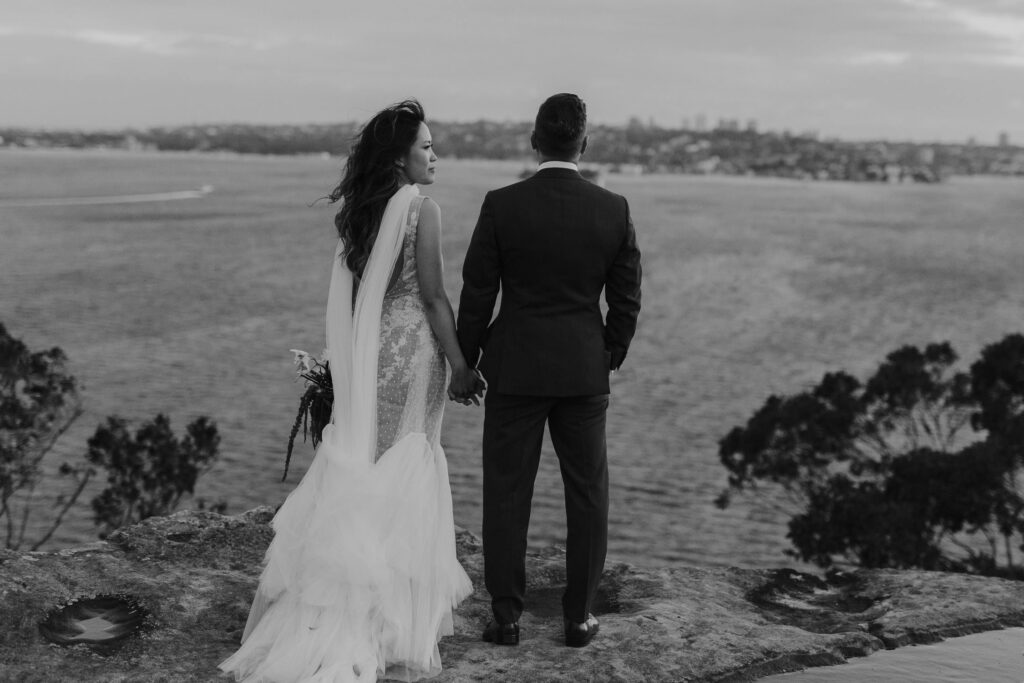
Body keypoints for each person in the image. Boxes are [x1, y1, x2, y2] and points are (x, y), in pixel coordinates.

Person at [220, 100, 478, 683]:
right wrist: (461, 365)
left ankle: (342, 607)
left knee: (368, 466)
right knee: (407, 466)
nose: (435, 156)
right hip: (413, 357)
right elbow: (435, 299)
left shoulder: (360, 216)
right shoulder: (422, 210)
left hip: (370, 357)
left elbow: (363, 300)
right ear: (399, 157)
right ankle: (389, 621)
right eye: (427, 147)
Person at [455, 93, 642, 649]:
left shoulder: (501, 204)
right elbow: (627, 298)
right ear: (583, 144)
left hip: (514, 369)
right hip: (583, 372)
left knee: (507, 493)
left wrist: (467, 361)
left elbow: (477, 293)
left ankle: (507, 618)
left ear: (534, 141)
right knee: (588, 494)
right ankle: (579, 617)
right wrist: (606, 351)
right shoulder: (613, 209)